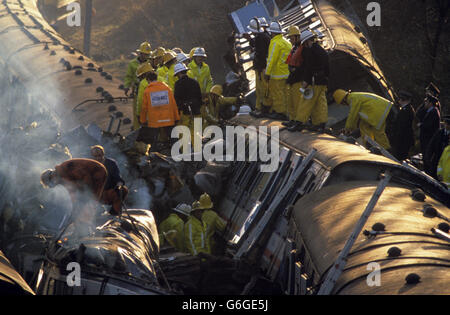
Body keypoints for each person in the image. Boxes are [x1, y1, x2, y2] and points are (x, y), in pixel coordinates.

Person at [40, 159, 107, 226]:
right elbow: (72, 192)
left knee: (92, 199)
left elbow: (85, 176)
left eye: (53, 182)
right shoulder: (62, 179)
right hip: (89, 177)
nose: (56, 184)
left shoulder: (65, 168)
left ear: (52, 177)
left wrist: (86, 193)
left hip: (97, 170)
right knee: (84, 203)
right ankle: (85, 225)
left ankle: (92, 223)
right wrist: (74, 207)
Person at [288, 30, 329, 132]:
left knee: (306, 101)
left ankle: (299, 122)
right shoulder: (319, 50)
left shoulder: (311, 52)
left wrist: (306, 80)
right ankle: (320, 124)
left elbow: (309, 67)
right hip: (320, 81)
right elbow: (326, 66)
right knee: (319, 103)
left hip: (314, 81)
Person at [139, 66, 180, 150]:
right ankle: (178, 155)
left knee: (153, 141)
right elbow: (173, 104)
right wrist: (176, 118)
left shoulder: (147, 91)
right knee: (173, 139)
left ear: (148, 80)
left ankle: (153, 157)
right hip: (168, 118)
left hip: (154, 121)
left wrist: (142, 120)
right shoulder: (167, 88)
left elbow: (144, 108)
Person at [264, 22, 292, 120]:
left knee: (278, 94)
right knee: (286, 94)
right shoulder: (286, 42)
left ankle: (280, 113)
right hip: (286, 73)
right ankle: (288, 113)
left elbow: (272, 59)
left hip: (277, 74)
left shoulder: (275, 42)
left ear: (272, 33)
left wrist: (267, 73)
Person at [90, 145, 128, 216]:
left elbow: (117, 177)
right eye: (95, 156)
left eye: (99, 155)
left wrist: (119, 183)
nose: (98, 158)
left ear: (103, 155)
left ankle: (114, 212)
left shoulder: (111, 163)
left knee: (123, 190)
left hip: (108, 192)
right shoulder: (90, 165)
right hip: (94, 195)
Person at [245, 17, 271, 118]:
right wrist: (250, 40)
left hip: (261, 68)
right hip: (262, 67)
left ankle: (264, 109)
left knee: (263, 89)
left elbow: (261, 54)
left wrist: (261, 69)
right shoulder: (263, 37)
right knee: (261, 89)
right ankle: (260, 108)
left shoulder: (261, 38)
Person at [174, 62, 203, 146]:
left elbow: (177, 100)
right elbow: (199, 98)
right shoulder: (194, 82)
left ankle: (185, 153)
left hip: (185, 113)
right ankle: (198, 152)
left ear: (179, 73)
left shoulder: (178, 84)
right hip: (196, 112)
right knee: (196, 133)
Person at [124, 42, 152, 130]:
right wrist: (127, 87)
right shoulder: (132, 64)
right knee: (137, 114)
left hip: (148, 90)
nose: (146, 56)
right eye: (144, 54)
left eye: (147, 54)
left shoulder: (150, 63)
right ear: (140, 53)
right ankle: (137, 135)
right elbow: (129, 76)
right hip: (137, 90)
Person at [283, 25, 304, 127]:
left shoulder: (301, 48)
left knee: (297, 102)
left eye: (291, 38)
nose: (290, 40)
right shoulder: (294, 48)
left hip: (298, 79)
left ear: (296, 37)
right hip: (292, 78)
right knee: (290, 101)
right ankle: (292, 119)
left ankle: (298, 121)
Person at [387, 91, 416, 160]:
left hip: (402, 140)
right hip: (401, 139)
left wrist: (395, 136)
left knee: (398, 157)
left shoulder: (407, 110)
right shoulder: (405, 109)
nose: (399, 101)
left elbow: (402, 126)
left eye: (401, 99)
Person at [416, 95, 441, 174]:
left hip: (428, 140)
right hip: (426, 139)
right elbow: (418, 114)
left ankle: (428, 174)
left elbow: (429, 126)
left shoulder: (434, 112)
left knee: (427, 158)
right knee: (425, 157)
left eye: (426, 102)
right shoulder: (430, 111)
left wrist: (421, 125)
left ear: (430, 103)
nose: (425, 103)